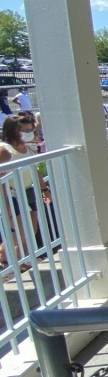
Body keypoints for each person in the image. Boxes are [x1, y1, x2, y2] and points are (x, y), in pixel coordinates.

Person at [0, 115, 44, 276]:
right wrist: (4, 202)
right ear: (13, 130)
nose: (29, 133)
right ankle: (15, 262)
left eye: (30, 129)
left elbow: (34, 170)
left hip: (27, 191)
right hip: (11, 196)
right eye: (24, 130)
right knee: (21, 231)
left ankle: (12, 258)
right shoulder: (3, 149)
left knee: (30, 230)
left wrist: (44, 189)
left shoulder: (27, 148)